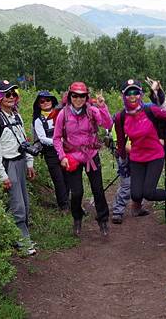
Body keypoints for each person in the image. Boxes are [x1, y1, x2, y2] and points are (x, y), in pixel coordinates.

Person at [114, 79, 166, 221]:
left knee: (149, 193)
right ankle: (138, 207)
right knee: (136, 195)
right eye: (128, 93)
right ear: (123, 96)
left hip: (155, 155)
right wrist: (122, 159)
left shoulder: (150, 109)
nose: (132, 96)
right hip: (136, 157)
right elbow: (121, 141)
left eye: (135, 92)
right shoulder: (121, 117)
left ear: (140, 94)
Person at [0, 80, 37, 255]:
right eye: (6, 94)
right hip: (8, 166)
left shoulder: (16, 116)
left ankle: (13, 237)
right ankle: (23, 243)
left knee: (25, 204)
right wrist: (1, 175)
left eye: (14, 93)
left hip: (20, 163)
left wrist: (29, 162)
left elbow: (24, 141)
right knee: (17, 206)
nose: (11, 97)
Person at [53, 82, 113, 237]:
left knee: (98, 189)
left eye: (82, 96)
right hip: (72, 157)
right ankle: (77, 218)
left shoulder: (92, 111)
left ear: (87, 97)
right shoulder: (63, 114)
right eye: (75, 95)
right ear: (70, 96)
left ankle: (103, 219)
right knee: (77, 192)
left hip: (91, 155)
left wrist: (102, 107)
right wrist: (62, 157)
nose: (78, 99)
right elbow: (57, 138)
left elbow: (107, 124)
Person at [32, 90, 69, 212]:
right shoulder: (38, 121)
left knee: (68, 177)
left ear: (52, 101)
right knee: (58, 180)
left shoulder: (61, 114)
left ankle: (70, 203)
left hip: (65, 151)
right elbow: (42, 138)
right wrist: (58, 142)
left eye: (48, 100)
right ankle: (63, 207)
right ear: (38, 104)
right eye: (42, 101)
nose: (46, 103)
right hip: (51, 154)